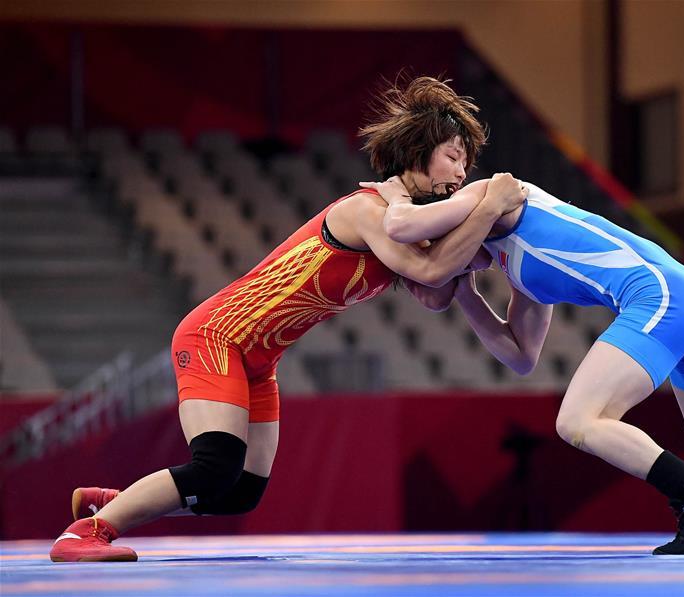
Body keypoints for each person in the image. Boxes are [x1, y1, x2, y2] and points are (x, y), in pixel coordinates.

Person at [49, 76, 527, 562]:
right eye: (453, 155)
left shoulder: (406, 222)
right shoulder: (369, 210)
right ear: (418, 152)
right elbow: (430, 270)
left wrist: (472, 249)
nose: (463, 171)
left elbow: (435, 296)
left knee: (241, 492)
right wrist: (488, 206)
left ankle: (117, 503)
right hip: (217, 336)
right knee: (216, 467)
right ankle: (86, 532)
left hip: (259, 360)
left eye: (467, 160)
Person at [366, 176, 684, 556]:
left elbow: (401, 223)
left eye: (444, 263)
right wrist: (469, 295)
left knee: (577, 421)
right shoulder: (517, 274)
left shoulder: (495, 196)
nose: (444, 273)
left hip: (663, 296)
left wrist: (393, 193)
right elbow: (520, 357)